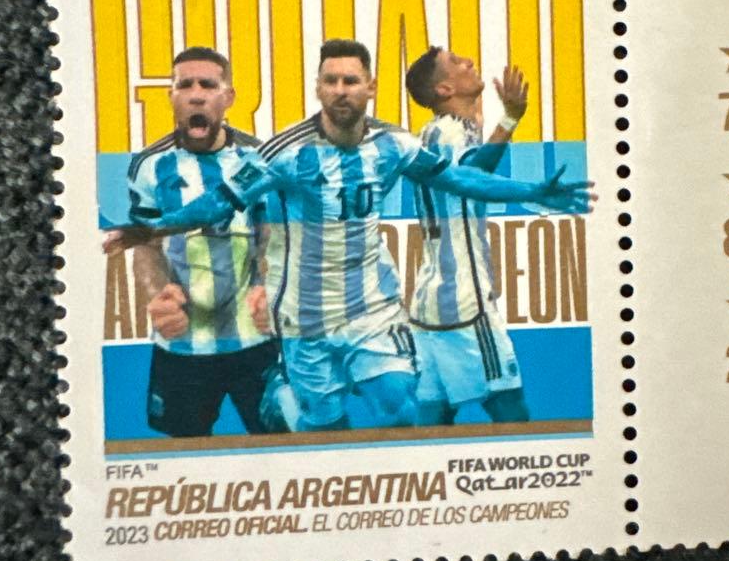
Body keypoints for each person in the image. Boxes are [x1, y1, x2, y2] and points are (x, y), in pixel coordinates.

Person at [108, 39, 593, 434]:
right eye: (331, 81)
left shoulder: (394, 144)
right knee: (325, 432)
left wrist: (532, 189)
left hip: (372, 309)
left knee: (399, 405)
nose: (341, 90)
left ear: (370, 87)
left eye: (351, 81)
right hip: (304, 318)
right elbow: (219, 202)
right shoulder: (283, 153)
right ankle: (294, 409)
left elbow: (458, 179)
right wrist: (152, 228)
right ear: (318, 88)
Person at [125, 47, 279, 437]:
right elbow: (146, 243)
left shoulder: (258, 158)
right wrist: (158, 294)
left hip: (255, 340)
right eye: (185, 85)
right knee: (182, 455)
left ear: (228, 97)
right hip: (182, 346)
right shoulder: (149, 165)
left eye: (208, 85)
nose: (196, 95)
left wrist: (269, 288)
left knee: (281, 447)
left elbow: (272, 235)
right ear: (171, 96)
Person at [404, 47, 531, 424]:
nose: (470, 62)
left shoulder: (438, 132)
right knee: (510, 408)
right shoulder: (447, 130)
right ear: (444, 89)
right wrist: (510, 119)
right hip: (464, 298)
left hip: (431, 299)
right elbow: (471, 175)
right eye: (457, 62)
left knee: (434, 416)